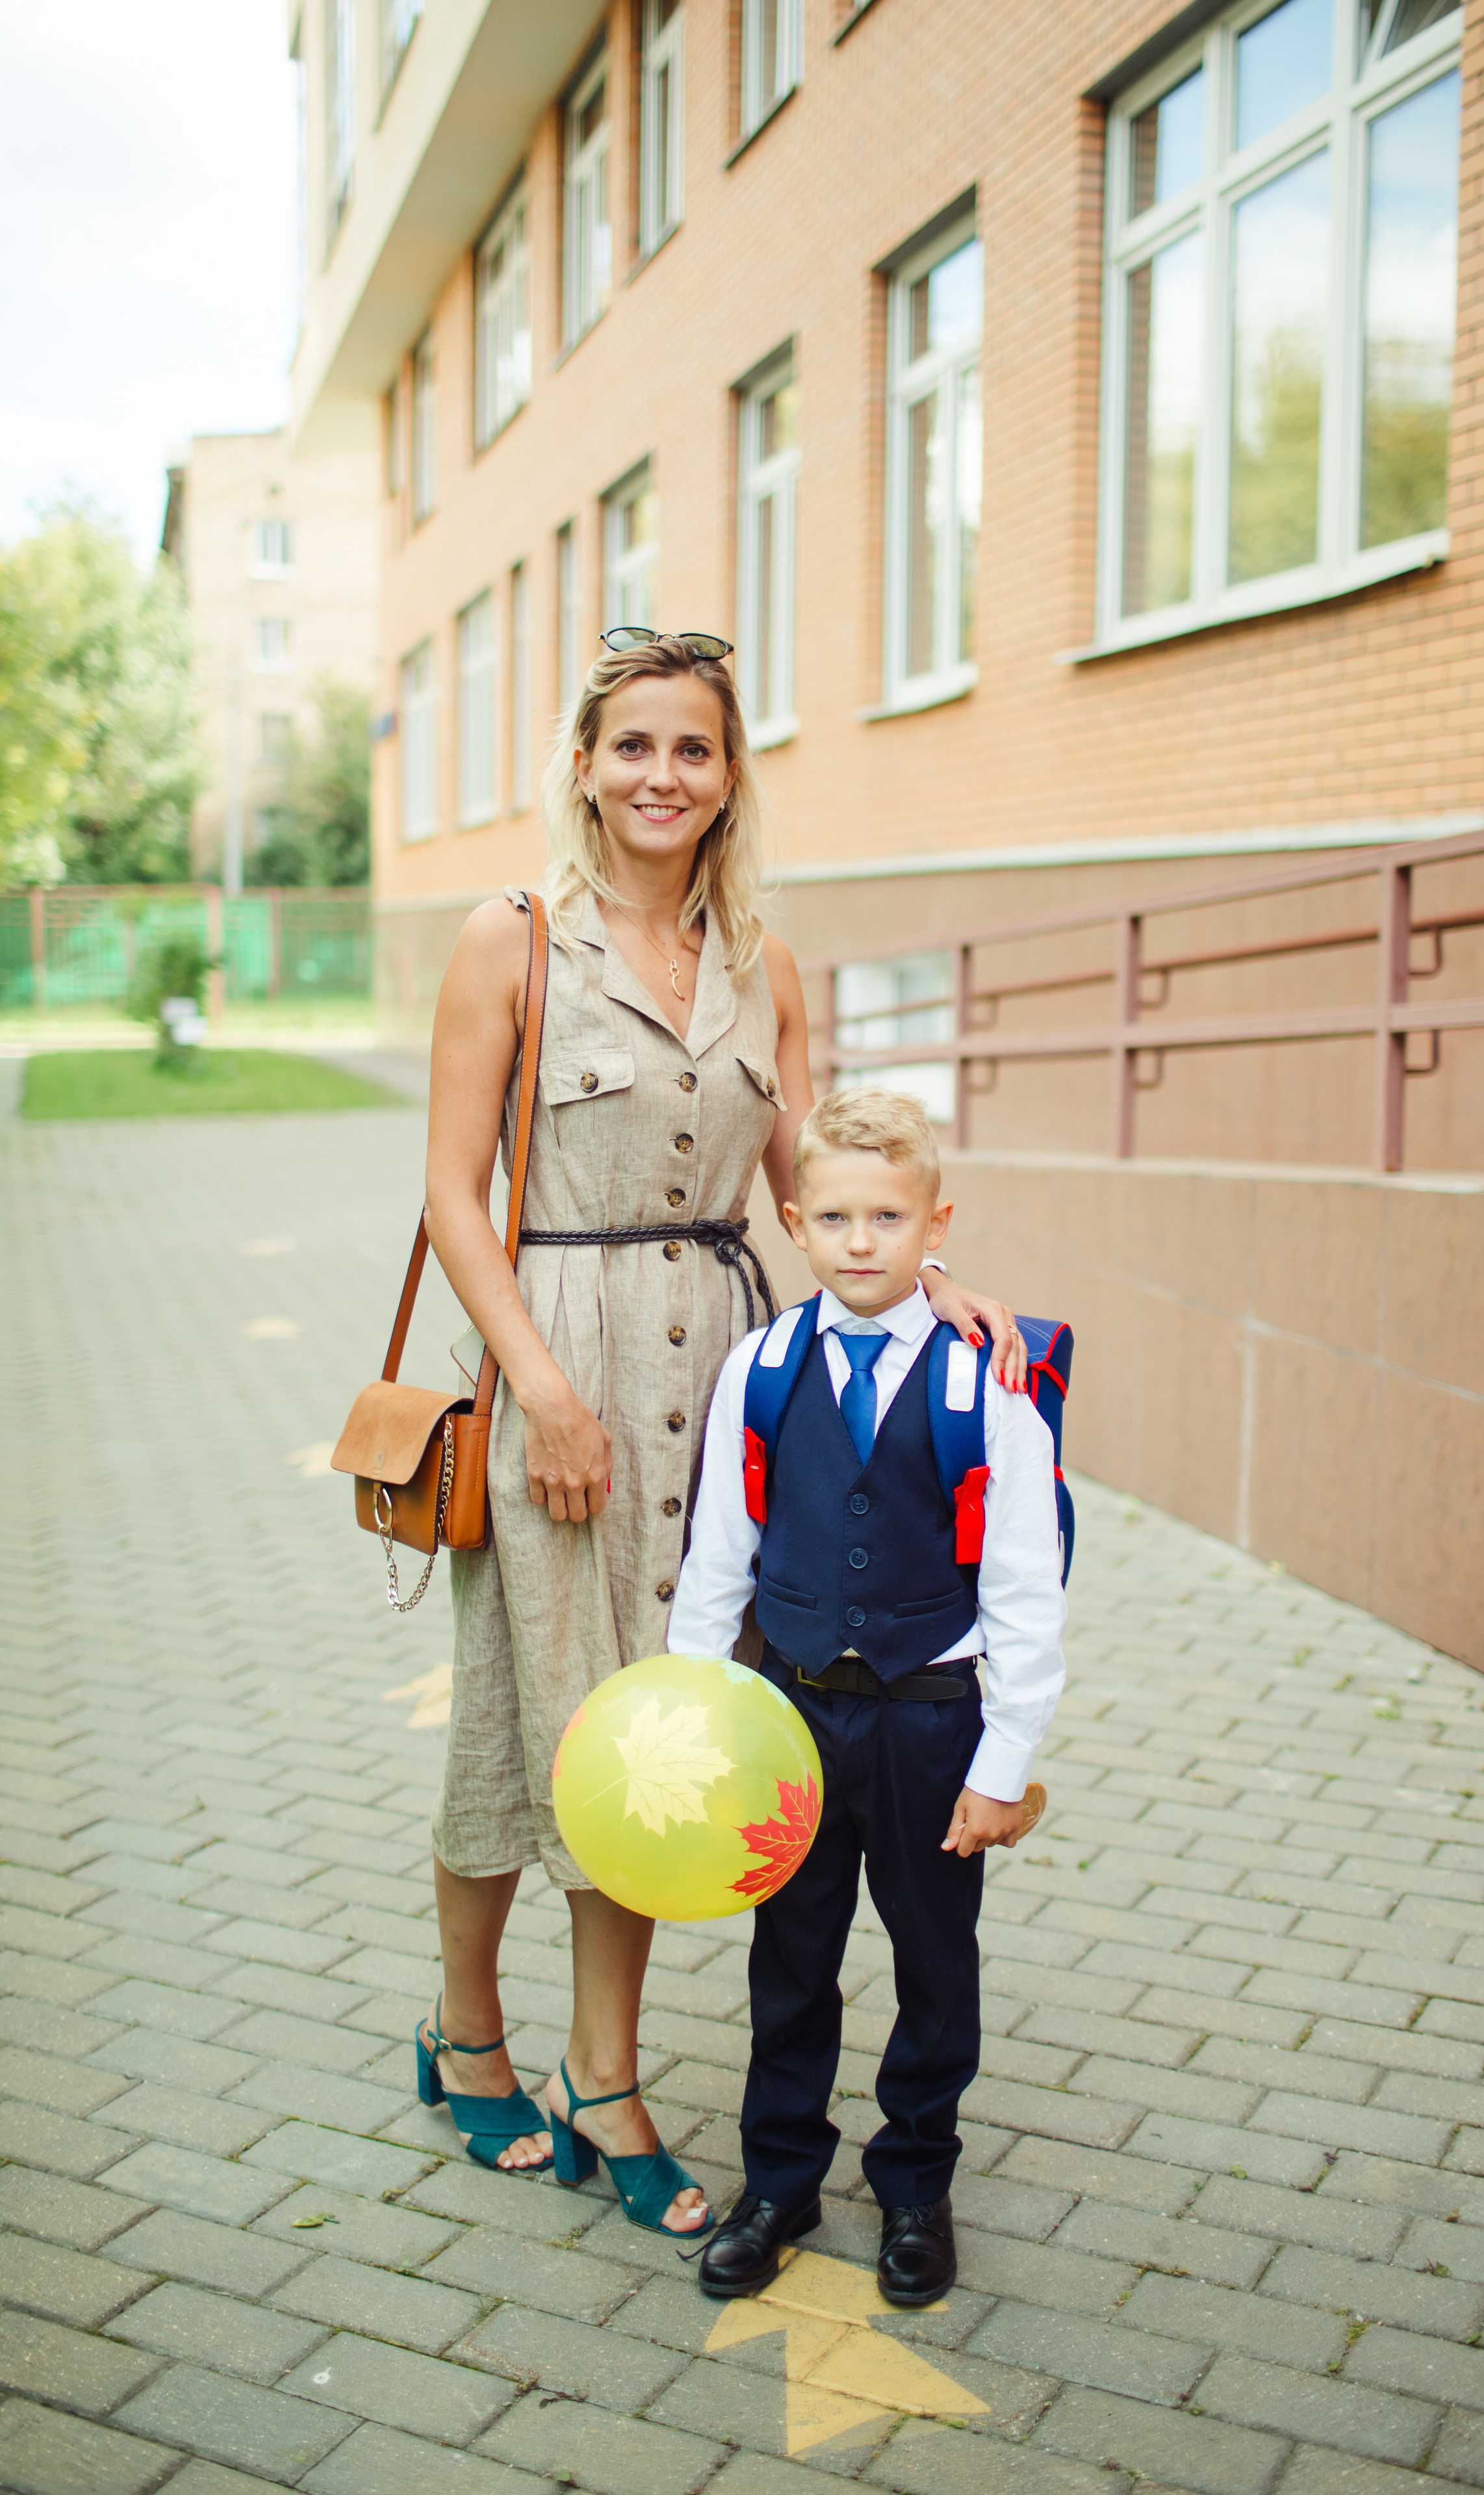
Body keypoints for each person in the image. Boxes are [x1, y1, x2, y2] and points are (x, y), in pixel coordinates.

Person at [415, 630, 1027, 2231]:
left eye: (692, 750)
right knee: (523, 1719)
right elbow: (449, 1195)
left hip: (740, 1376)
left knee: (661, 1725)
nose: (661, 778)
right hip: (562, 1361)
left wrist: (925, 1287)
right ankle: (467, 2034)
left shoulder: (766, 957)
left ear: (730, 774)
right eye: (632, 748)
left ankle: (597, 2068)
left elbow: (803, 1171)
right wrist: (539, 1385)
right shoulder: (513, 939)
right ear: (582, 765)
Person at [667, 1086, 1067, 2299]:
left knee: (935, 1963)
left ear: (934, 1219)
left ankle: (914, 2184)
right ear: (794, 1220)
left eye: (887, 1217)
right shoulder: (764, 1364)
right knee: (790, 1959)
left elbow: (1027, 1592)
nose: (858, 1241)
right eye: (834, 1216)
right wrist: (699, 1717)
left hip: (929, 1721)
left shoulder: (985, 1380)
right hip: (788, 1713)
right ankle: (780, 2178)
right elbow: (718, 1554)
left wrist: (1003, 1766)